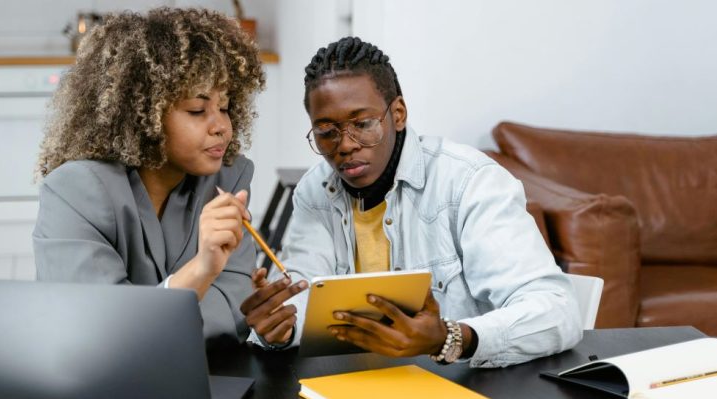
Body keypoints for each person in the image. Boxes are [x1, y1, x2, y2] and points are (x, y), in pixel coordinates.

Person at [242, 37, 582, 367]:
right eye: (326, 131)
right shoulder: (314, 190)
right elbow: (302, 295)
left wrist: (451, 338)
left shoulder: (469, 182)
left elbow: (556, 311)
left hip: (460, 384)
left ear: (399, 113)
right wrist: (282, 328)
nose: (344, 145)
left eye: (362, 124)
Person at [33, 8, 265, 347]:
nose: (221, 126)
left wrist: (143, 322)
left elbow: (232, 314)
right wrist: (201, 271)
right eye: (197, 110)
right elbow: (96, 333)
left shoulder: (228, 179)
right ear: (145, 116)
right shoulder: (75, 191)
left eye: (225, 107)